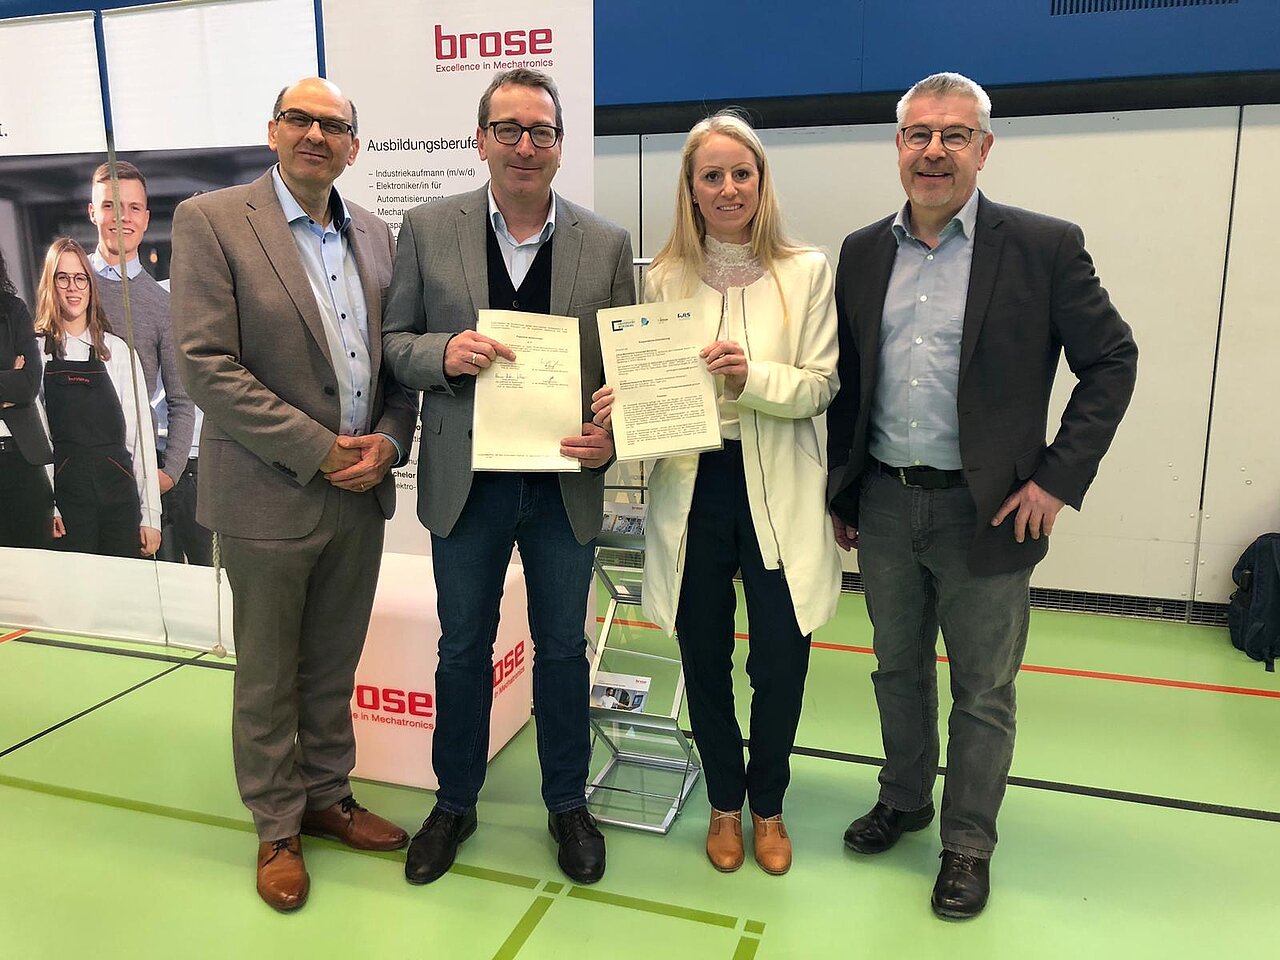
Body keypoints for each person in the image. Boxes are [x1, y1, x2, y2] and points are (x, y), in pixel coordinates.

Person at [826, 72, 1138, 919]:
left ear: (984, 148)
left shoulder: (1043, 246)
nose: (934, 151)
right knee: (896, 669)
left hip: (989, 512)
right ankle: (904, 798)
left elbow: (1112, 361)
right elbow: (852, 381)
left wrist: (1056, 479)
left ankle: (968, 843)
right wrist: (842, 491)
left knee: (983, 690)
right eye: (918, 134)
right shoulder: (863, 251)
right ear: (897, 146)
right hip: (886, 502)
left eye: (954, 135)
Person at [170, 77, 417, 912]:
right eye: (300, 119)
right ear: (273, 131)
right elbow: (205, 365)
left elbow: (395, 363)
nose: (316, 134)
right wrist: (318, 449)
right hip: (267, 492)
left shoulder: (377, 235)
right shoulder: (212, 221)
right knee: (269, 674)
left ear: (354, 146)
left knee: (333, 665)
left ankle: (326, 797)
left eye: (333, 125)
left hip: (360, 492)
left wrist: (388, 442)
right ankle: (277, 826)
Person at [382, 67, 635, 887]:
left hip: (564, 484)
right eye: (509, 129)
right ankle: (454, 803)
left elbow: (624, 374)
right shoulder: (428, 229)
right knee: (462, 649)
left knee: (562, 650)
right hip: (468, 484)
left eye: (541, 131)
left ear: (560, 145)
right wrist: (442, 354)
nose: (525, 145)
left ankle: (568, 803)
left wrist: (612, 436)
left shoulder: (606, 243)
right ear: (481, 139)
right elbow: (395, 344)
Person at [597, 111, 841, 876]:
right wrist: (625, 404)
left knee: (780, 660)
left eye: (742, 173)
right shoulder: (664, 278)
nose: (729, 188)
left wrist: (750, 378)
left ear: (761, 181)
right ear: (692, 189)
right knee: (703, 657)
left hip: (778, 488)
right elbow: (655, 389)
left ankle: (769, 805)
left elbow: (821, 385)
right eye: (712, 176)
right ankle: (725, 805)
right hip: (695, 485)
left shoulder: (805, 270)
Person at [88, 160, 208, 564]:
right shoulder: (68, 282)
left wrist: (168, 473)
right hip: (74, 475)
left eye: (133, 208)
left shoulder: (160, 302)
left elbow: (181, 398)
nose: (122, 218)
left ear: (146, 217)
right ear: (93, 212)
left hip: (140, 472)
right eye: (110, 206)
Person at [33, 238, 161, 558]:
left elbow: (140, 439)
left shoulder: (117, 352)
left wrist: (150, 515)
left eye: (81, 278)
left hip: (120, 498)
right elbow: (37, 442)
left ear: (91, 286)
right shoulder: (37, 352)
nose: (72, 288)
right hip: (67, 501)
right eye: (63, 278)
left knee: (123, 587)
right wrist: (47, 506)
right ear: (50, 284)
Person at [0, 246, 54, 549]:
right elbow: (16, 384)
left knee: (36, 562)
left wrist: (17, 381)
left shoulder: (13, 310)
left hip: (23, 459)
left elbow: (28, 384)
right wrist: (9, 375)